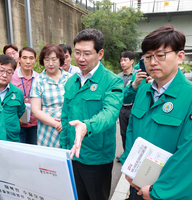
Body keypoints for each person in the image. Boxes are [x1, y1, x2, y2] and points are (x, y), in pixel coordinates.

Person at [120, 24, 192, 200]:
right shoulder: (143, 90)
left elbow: (190, 155)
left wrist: (157, 191)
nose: (152, 62)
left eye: (160, 55)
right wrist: (128, 165)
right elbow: (131, 130)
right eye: (148, 56)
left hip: (169, 194)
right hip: (137, 186)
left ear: (180, 57)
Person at [60, 29, 124, 200]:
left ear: (100, 53)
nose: (81, 58)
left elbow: (109, 114)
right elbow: (65, 117)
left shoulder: (112, 81)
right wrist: (63, 149)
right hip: (72, 155)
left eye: (87, 53)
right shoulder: (71, 81)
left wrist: (86, 126)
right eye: (78, 53)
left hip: (96, 158)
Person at [31, 44, 71, 148]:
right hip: (48, 129)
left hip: (69, 125)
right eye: (47, 59)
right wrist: (57, 124)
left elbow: (77, 104)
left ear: (60, 60)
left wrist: (65, 122)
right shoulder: (38, 81)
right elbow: (35, 111)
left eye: (54, 59)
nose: (50, 63)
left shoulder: (70, 79)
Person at [0, 54, 25, 142]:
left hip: (12, 139)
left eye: (9, 72)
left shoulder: (17, 92)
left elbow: (20, 112)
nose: (4, 75)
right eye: (1, 70)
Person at [11, 47, 39, 144]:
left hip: (35, 124)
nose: (28, 61)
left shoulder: (39, 78)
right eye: (24, 58)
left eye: (31, 58)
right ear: (19, 59)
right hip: (17, 123)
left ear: (35, 60)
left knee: (34, 152)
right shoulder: (11, 77)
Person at [116, 51, 137, 162]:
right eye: (121, 60)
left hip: (135, 109)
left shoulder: (138, 75)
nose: (122, 63)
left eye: (125, 60)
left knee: (135, 132)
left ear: (132, 61)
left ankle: (135, 156)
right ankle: (126, 154)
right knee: (123, 133)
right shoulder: (118, 77)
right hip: (123, 109)